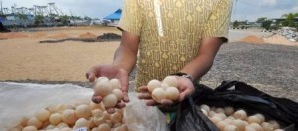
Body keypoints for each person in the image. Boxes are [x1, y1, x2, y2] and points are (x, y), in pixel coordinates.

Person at [86, 0, 233, 117]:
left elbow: (206, 54)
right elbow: (128, 48)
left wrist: (182, 77)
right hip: (143, 100)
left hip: (184, 98)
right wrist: (119, 68)